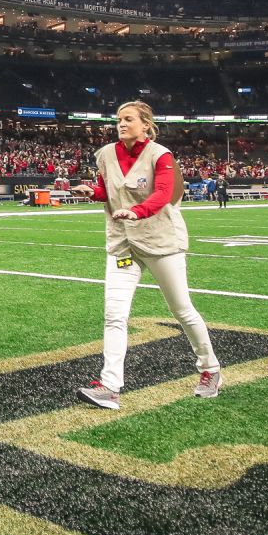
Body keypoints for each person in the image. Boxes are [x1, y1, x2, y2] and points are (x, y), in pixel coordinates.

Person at [71, 101, 222, 409]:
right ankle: (110, 386)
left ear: (145, 124)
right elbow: (108, 191)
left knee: (182, 309)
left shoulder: (160, 155)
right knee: (114, 315)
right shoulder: (105, 154)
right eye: (118, 120)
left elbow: (163, 194)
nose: (121, 124)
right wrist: (92, 192)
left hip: (160, 239)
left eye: (128, 119)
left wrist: (137, 212)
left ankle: (210, 368)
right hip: (122, 243)